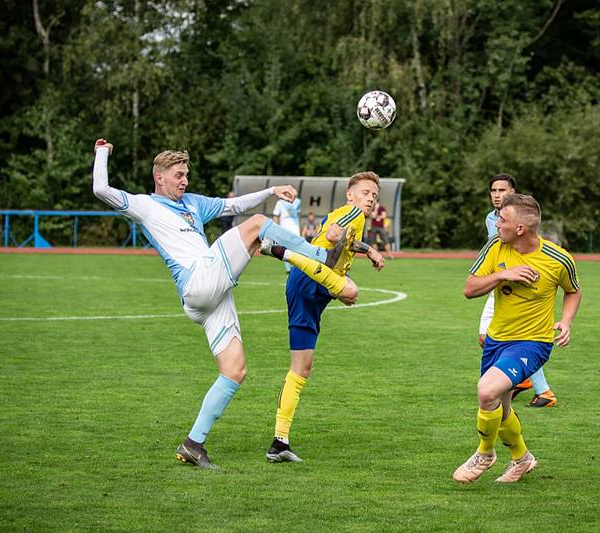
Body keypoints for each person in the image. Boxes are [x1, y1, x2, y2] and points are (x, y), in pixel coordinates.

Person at [91, 139, 354, 469]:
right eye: (178, 175)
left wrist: (270, 190)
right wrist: (103, 151)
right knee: (258, 225)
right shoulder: (144, 205)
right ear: (159, 177)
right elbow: (101, 188)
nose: (184, 180)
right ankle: (317, 255)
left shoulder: (193, 203)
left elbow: (234, 205)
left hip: (210, 297)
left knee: (234, 370)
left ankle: (193, 444)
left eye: (186, 174)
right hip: (199, 280)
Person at [453, 194, 582, 484]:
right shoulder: (495, 248)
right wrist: (504, 275)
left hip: (532, 343)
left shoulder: (558, 258)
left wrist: (566, 321)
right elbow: (469, 289)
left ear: (520, 229)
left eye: (503, 219)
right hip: (497, 340)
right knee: (502, 407)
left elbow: (573, 290)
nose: (496, 223)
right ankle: (522, 459)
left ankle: (484, 454)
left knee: (486, 392)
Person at [264, 171, 386, 463]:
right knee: (351, 292)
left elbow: (347, 239)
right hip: (310, 277)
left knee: (301, 368)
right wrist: (333, 234)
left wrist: (368, 250)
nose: (370, 199)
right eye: (366, 192)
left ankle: (279, 443)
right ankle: (282, 252)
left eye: (375, 196)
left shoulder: (353, 217)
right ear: (351, 195)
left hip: (308, 288)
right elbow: (335, 229)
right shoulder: (352, 212)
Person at [479, 173, 557, 408]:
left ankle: (536, 388)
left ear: (513, 193)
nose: (496, 195)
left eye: (502, 191)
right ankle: (529, 383)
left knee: (489, 336)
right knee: (491, 338)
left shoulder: (523, 219)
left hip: (517, 288)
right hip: (499, 285)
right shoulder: (489, 219)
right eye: (493, 191)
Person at [273, 197, 301, 273]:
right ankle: (288, 268)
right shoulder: (280, 202)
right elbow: (276, 215)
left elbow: (298, 215)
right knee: (285, 248)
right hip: (284, 228)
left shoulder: (298, 201)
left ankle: (294, 266)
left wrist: (299, 227)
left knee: (296, 249)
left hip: (295, 229)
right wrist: (277, 228)